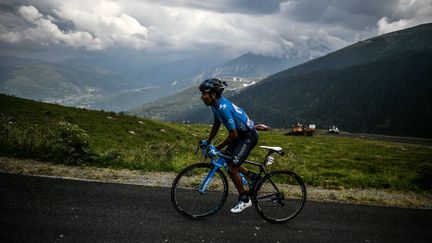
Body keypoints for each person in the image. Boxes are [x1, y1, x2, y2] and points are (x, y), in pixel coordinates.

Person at [198, 78, 259, 213]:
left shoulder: (222, 108)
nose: (202, 98)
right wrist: (208, 142)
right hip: (240, 136)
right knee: (227, 157)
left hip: (248, 137)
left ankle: (245, 199)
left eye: (204, 94)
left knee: (232, 169)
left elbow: (233, 135)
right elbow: (216, 125)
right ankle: (252, 176)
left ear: (213, 95)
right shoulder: (215, 106)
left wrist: (216, 148)